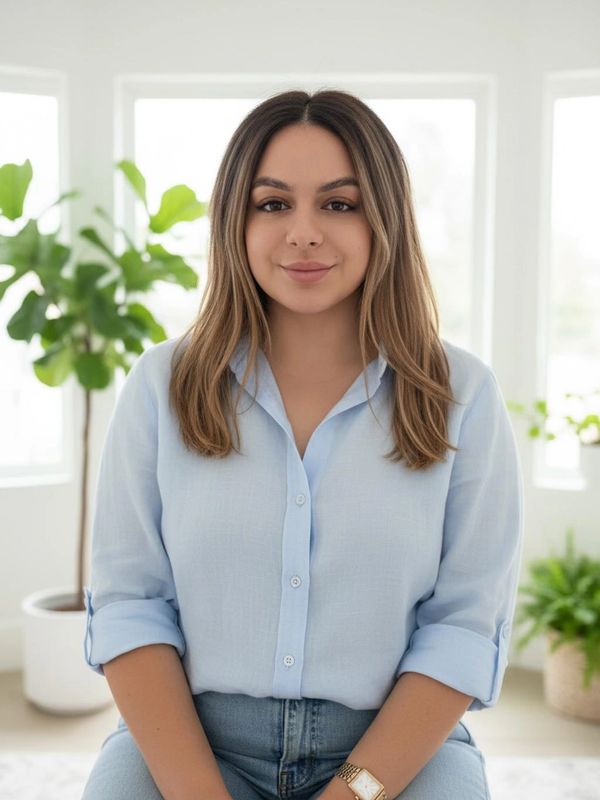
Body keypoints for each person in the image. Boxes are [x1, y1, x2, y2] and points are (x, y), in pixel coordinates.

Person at [81, 88, 523, 800]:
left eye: (340, 204)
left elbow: (464, 629)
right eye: (274, 203)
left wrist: (351, 793)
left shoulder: (462, 396)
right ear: (236, 220)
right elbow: (130, 607)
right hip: (191, 744)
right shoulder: (160, 386)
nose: (305, 233)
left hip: (392, 756)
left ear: (384, 220)